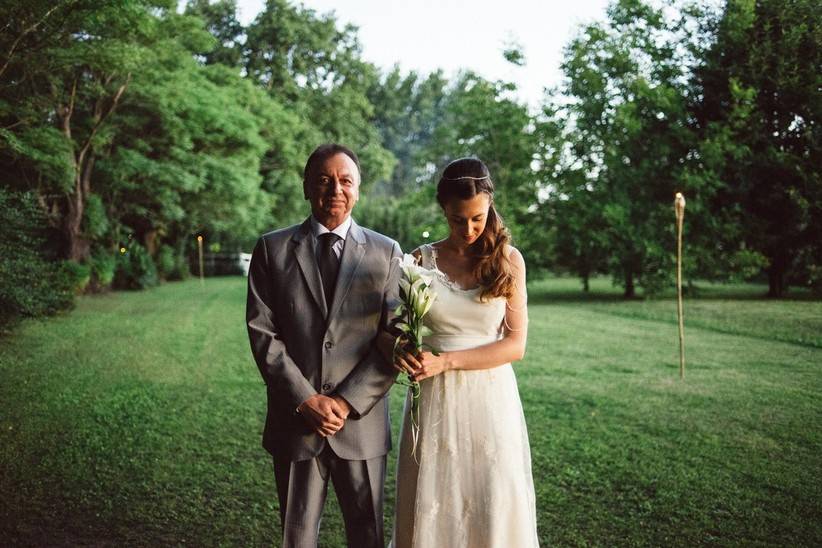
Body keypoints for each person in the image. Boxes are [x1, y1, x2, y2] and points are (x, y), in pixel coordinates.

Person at [246, 143, 401, 548]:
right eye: (324, 180)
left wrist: (348, 401)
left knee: (367, 534)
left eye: (345, 180)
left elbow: (396, 339)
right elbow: (263, 334)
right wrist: (305, 399)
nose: (335, 189)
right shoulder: (271, 249)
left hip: (361, 424)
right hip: (296, 422)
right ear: (306, 187)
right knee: (296, 537)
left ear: (358, 189)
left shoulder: (387, 253)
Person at [390, 157, 539, 547]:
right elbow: (394, 330)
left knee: (490, 499)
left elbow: (515, 345)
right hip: (433, 401)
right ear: (444, 210)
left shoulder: (509, 261)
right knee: (434, 499)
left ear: (490, 206)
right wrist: (400, 348)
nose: (469, 229)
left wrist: (447, 362)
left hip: (490, 400)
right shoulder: (419, 261)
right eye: (459, 219)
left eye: (478, 217)